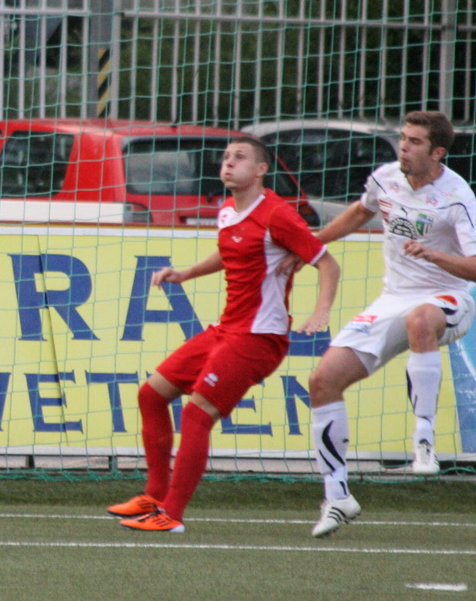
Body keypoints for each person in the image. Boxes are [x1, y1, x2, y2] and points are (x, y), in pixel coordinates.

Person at [108, 137, 340, 533]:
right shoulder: (228, 209)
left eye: (240, 158)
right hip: (227, 329)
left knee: (197, 414)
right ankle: (154, 496)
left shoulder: (278, 215)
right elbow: (228, 252)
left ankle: (172, 516)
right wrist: (185, 272)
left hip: (258, 338)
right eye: (226, 157)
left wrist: (320, 311)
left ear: (261, 170)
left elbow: (327, 263)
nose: (228, 163)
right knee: (151, 394)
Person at [305, 110, 476, 538]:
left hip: (448, 298)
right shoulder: (386, 178)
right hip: (391, 300)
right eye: (403, 138)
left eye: (415, 142)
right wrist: (309, 244)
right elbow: (360, 213)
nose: (404, 146)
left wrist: (437, 256)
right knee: (323, 380)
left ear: (437, 153)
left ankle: (424, 443)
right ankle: (338, 497)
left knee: (421, 319)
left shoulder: (458, 196)